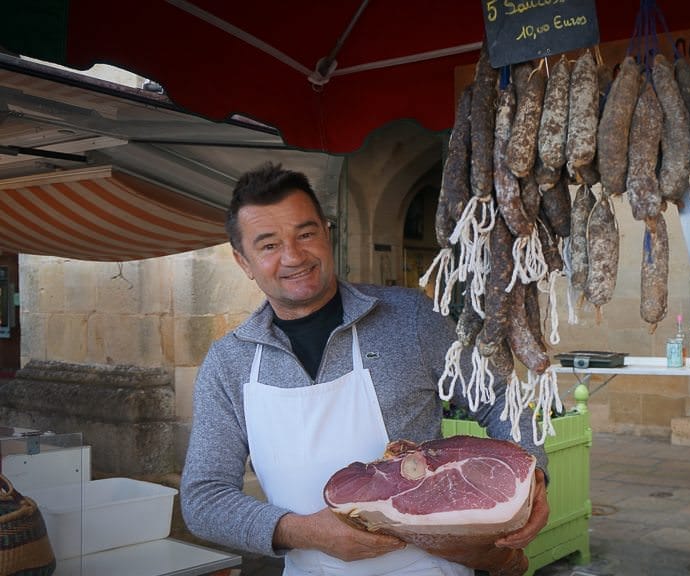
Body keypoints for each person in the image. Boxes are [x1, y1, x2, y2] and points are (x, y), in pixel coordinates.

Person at [180, 162, 549, 575]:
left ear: (327, 233)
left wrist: (532, 477)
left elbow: (500, 396)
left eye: (306, 234)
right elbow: (204, 499)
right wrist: (305, 532)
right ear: (243, 261)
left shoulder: (410, 318)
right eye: (268, 246)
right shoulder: (229, 362)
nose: (293, 256)